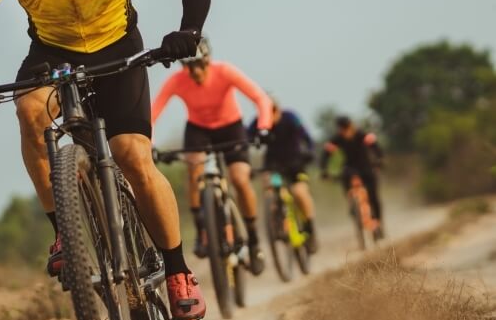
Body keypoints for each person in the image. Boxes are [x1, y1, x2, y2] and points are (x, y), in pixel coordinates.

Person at [0, 0, 212, 320]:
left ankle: (178, 271)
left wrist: (189, 31)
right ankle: (63, 232)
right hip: (52, 54)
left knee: (132, 156)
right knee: (29, 113)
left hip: (118, 47)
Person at [151, 38, 273, 275]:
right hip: (199, 130)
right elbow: (152, 113)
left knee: (239, 178)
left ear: (207, 61)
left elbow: (260, 98)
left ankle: (254, 239)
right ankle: (201, 231)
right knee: (194, 169)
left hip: (230, 127)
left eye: (199, 65)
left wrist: (264, 126)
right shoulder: (176, 81)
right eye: (188, 66)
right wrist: (151, 144)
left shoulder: (225, 71)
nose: (194, 71)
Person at [249, 98, 318, 254]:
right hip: (273, 165)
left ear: (277, 109)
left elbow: (305, 135)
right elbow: (246, 140)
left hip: (295, 163)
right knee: (269, 188)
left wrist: (310, 151)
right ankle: (277, 220)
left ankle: (309, 227)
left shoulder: (290, 117)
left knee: (299, 193)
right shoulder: (257, 123)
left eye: (271, 110)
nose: (267, 115)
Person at [321, 116, 384, 236]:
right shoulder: (337, 139)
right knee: (346, 181)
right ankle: (353, 206)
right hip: (349, 169)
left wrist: (379, 160)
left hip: (365, 167)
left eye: (346, 128)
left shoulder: (361, 135)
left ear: (351, 126)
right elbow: (326, 154)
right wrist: (324, 170)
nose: (344, 131)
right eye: (342, 129)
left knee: (373, 197)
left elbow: (374, 146)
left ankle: (378, 223)